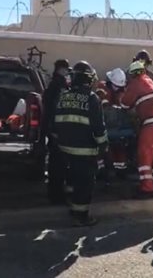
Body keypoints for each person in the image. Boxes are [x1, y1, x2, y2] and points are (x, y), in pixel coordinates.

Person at [52, 60, 108, 226]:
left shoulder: (63, 96)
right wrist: (103, 145)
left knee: (72, 180)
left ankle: (72, 207)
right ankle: (81, 215)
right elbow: (98, 126)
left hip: (64, 148)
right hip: (85, 150)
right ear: (87, 79)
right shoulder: (92, 98)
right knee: (85, 183)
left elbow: (55, 123)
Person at [121, 61, 153, 198]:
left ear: (132, 74)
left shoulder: (136, 83)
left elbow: (125, 104)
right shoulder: (149, 80)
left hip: (151, 123)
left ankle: (147, 188)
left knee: (145, 155)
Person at [42, 59, 72, 204]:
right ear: (61, 69)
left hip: (53, 129)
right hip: (57, 130)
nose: (67, 72)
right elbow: (56, 109)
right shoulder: (59, 85)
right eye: (66, 69)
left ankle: (55, 193)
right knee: (58, 164)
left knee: (56, 163)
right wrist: (56, 130)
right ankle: (57, 196)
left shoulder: (53, 84)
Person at [95, 68, 129, 180]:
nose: (117, 88)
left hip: (117, 127)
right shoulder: (102, 88)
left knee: (119, 146)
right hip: (103, 124)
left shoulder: (121, 92)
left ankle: (120, 170)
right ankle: (102, 169)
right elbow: (103, 107)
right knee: (101, 148)